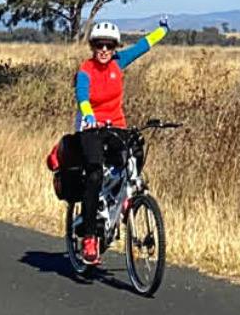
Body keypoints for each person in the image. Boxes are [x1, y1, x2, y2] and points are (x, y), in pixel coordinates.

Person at [60, 16, 168, 265]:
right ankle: (89, 237)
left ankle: (124, 199)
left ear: (115, 47)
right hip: (90, 128)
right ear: (93, 46)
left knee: (134, 156)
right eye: (99, 45)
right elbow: (82, 95)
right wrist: (88, 113)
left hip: (116, 125)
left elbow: (143, 46)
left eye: (109, 46)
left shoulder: (118, 64)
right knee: (95, 173)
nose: (104, 51)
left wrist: (162, 31)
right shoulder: (86, 70)